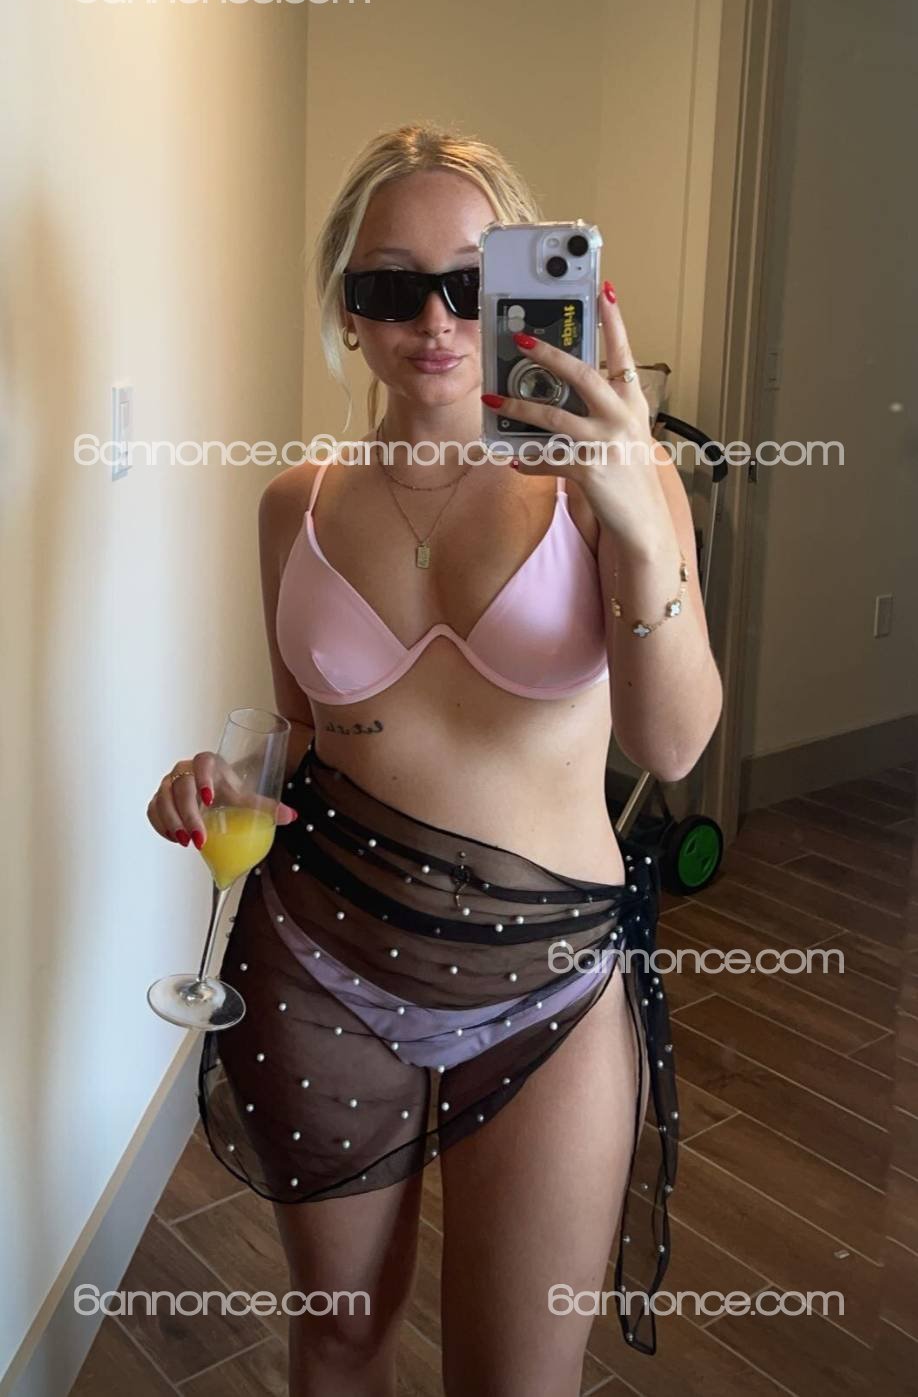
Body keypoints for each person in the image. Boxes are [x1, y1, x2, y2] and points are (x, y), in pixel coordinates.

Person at [146, 122, 723, 1397]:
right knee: (340, 1338)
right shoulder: (294, 504)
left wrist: (636, 522)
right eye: (389, 285)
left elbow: (673, 742)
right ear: (347, 310)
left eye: (471, 282)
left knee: (514, 1379)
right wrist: (224, 788)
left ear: (528, 292)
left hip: (551, 984)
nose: (435, 320)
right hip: (320, 962)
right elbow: (308, 740)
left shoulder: (614, 482)